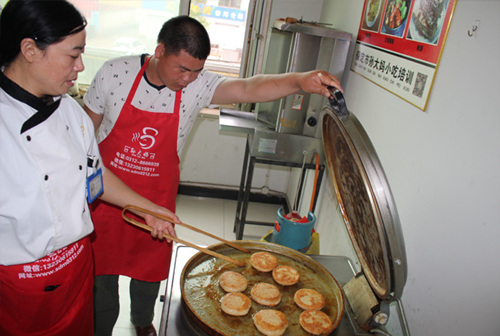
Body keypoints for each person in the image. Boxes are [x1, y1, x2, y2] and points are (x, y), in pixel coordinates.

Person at [84, 15, 343, 336]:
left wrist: (299, 80)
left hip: (156, 200)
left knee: (148, 271)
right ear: (160, 51)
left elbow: (250, 87)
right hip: (106, 196)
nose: (190, 79)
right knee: (101, 276)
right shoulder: (114, 73)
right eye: (182, 69)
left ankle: (142, 321)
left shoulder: (197, 84)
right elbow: (84, 137)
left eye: (197, 70)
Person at [0, 1, 179, 335]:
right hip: (19, 285)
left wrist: (149, 209)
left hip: (77, 268)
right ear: (29, 50)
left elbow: (94, 176)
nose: (80, 66)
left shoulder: (70, 113)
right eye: (73, 54)